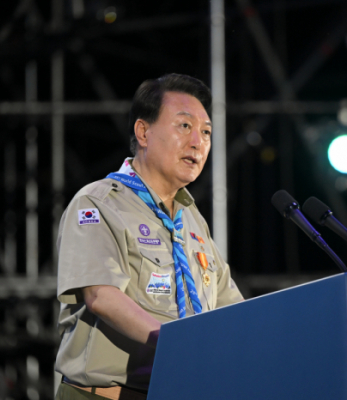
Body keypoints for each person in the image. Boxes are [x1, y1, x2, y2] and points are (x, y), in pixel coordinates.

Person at [54, 74, 244, 399]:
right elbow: (101, 296)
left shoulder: (192, 219)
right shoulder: (98, 203)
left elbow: (231, 310)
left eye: (206, 132)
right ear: (143, 132)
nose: (198, 142)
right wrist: (181, 347)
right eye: (184, 126)